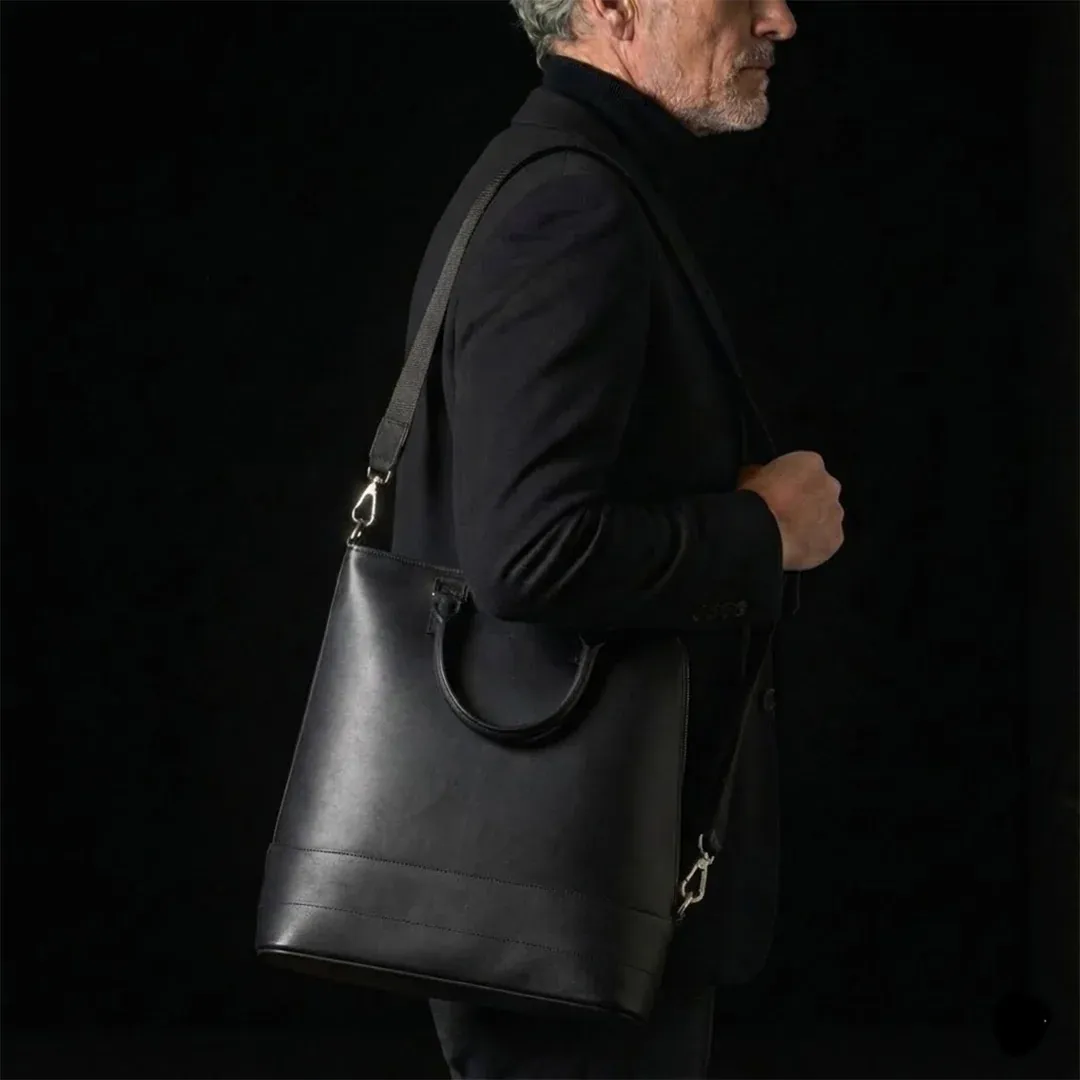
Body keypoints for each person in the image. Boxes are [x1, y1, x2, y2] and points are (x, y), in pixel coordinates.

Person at [389, 0, 845, 1075]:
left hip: (563, 883)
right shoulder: (571, 204)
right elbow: (529, 552)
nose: (779, 17)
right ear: (613, 6)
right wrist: (762, 532)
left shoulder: (574, 179)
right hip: (566, 893)